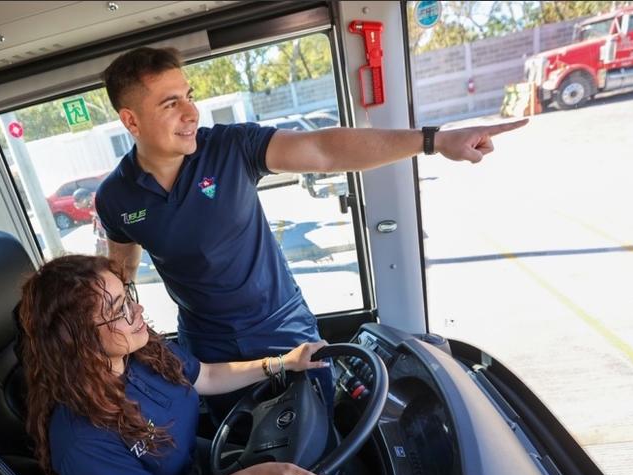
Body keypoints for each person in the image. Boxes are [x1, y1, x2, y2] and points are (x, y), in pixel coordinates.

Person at [94, 46, 528, 420]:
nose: (191, 113)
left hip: (281, 326)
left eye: (189, 97)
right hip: (207, 345)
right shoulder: (116, 197)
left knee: (319, 431)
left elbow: (323, 149)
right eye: (170, 104)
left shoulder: (230, 147)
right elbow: (120, 273)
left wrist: (433, 141)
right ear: (132, 121)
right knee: (241, 446)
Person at [17, 254, 331, 475]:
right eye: (118, 310)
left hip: (185, 469)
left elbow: (207, 377)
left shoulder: (141, 352)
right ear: (78, 339)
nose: (137, 310)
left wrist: (282, 363)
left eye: (128, 296)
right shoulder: (80, 439)